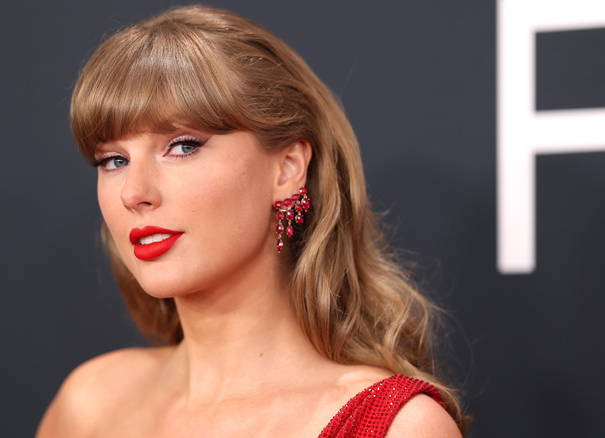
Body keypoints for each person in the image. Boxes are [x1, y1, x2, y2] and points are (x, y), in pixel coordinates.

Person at [37, 5, 467, 437]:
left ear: (287, 168)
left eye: (183, 146)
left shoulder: (398, 427)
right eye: (113, 160)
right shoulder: (90, 403)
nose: (133, 193)